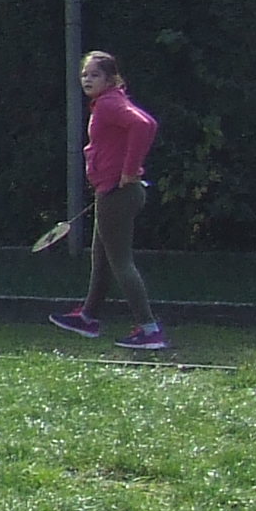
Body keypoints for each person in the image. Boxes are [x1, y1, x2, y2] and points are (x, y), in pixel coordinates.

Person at [51, 51, 167, 351]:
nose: (87, 80)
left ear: (111, 78)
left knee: (121, 263)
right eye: (84, 75)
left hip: (118, 194)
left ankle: (150, 330)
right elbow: (144, 124)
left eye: (95, 75)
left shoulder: (108, 104)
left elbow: (145, 125)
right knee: (101, 259)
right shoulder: (110, 101)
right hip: (112, 192)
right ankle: (88, 318)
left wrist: (129, 170)